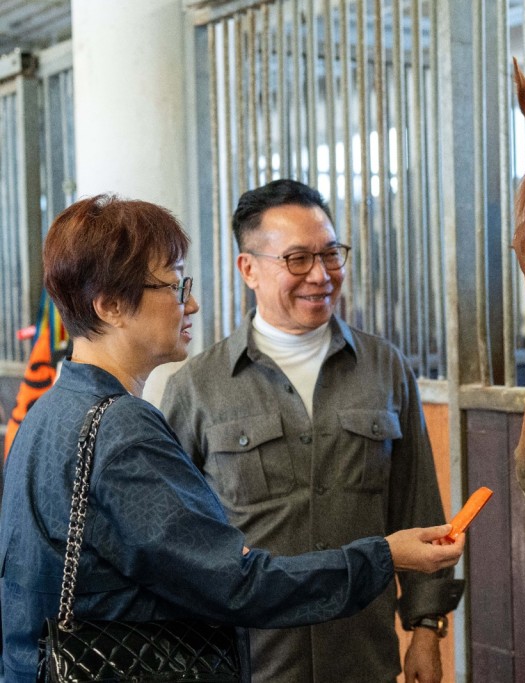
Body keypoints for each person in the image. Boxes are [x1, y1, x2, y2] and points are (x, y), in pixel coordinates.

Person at [0, 195, 464, 683]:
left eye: (330, 254)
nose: (191, 302)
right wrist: (384, 556)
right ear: (111, 306)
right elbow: (235, 585)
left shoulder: (49, 412)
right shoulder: (124, 427)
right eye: (174, 283)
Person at [161, 178, 464, 683]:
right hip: (246, 666)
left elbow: (417, 506)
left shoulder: (385, 369)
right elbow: (175, 543)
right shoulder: (197, 388)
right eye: (298, 259)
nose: (321, 275)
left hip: (364, 660)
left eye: (331, 254)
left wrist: (426, 630)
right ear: (249, 269)